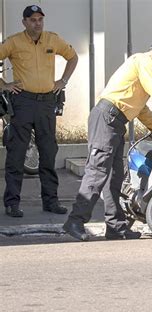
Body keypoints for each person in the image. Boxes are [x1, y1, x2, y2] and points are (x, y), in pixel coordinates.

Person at [63, 44, 152, 241]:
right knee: (98, 171)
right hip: (107, 118)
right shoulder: (144, 60)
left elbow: (142, 110)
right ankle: (75, 221)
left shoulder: (140, 73)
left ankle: (116, 226)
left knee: (114, 177)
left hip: (115, 122)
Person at [0, 5, 78, 218]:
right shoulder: (13, 42)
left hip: (46, 103)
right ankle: (12, 203)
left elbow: (73, 57)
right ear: (24, 22)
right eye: (32, 20)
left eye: (40, 19)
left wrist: (62, 81)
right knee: (16, 155)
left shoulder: (52, 39)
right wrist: (4, 84)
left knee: (48, 152)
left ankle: (51, 201)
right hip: (23, 101)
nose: (37, 23)